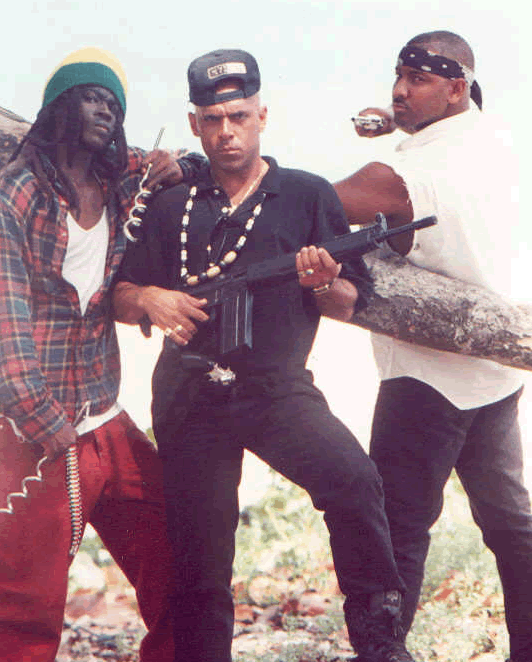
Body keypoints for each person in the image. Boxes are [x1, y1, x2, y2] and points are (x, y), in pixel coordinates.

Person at [113, 48, 420, 662]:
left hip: (277, 390)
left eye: (239, 116)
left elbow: (349, 301)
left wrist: (322, 283)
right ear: (195, 122)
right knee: (201, 557)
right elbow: (119, 294)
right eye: (213, 119)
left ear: (262, 116)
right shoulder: (173, 203)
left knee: (355, 483)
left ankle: (381, 645)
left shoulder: (305, 195)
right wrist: (149, 298)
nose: (227, 131)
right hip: (190, 397)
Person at [334, 30, 532, 662]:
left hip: (426, 381)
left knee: (395, 532)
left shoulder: (407, 176)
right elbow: (444, 131)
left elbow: (320, 203)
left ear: (455, 88)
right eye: (398, 76)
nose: (399, 90)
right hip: (497, 370)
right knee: (512, 527)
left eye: (416, 81)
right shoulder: (491, 137)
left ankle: (382, 654)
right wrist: (400, 120)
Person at [0, 47, 196, 662]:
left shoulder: (116, 180)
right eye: (91, 97)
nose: (105, 111)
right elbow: (6, 322)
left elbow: (179, 164)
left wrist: (179, 164)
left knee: (177, 553)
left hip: (105, 416)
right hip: (33, 429)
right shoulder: (16, 194)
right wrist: (45, 424)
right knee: (26, 607)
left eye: (114, 104)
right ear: (59, 107)